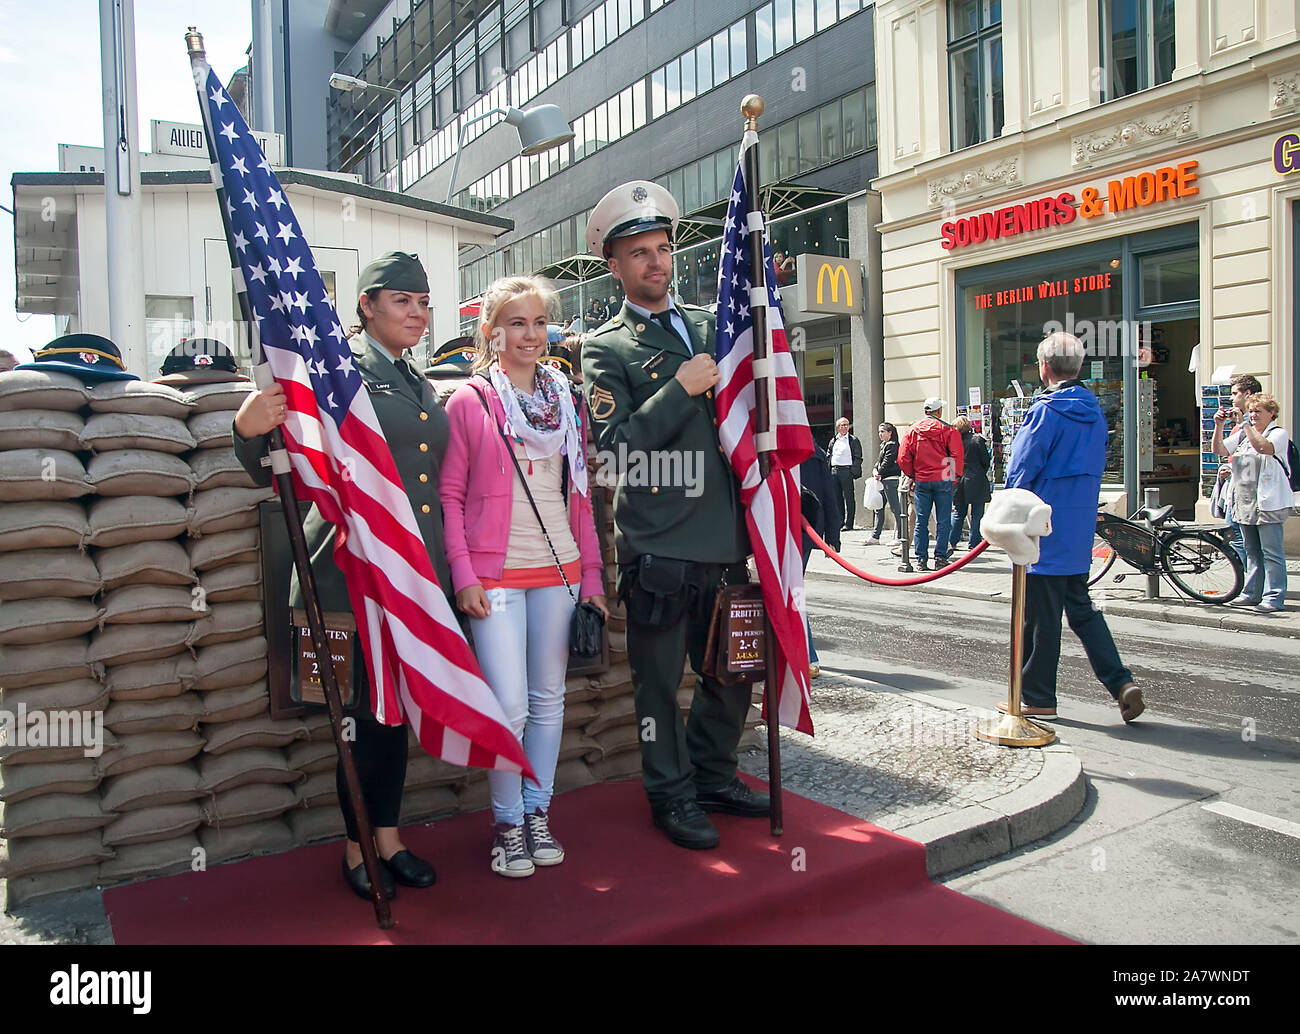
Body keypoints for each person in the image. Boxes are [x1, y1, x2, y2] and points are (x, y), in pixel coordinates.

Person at [232, 251, 442, 901]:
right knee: (357, 720)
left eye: (424, 302)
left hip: (409, 579)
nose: (417, 312)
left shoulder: (415, 380)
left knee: (394, 717)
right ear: (366, 305)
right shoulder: (334, 371)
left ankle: (389, 836)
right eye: (402, 300)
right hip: (344, 576)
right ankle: (357, 849)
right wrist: (246, 427)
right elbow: (273, 456)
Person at [580, 179, 767, 851]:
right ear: (616, 266)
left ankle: (714, 775)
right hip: (659, 545)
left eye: (662, 249)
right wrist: (679, 389)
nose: (655, 263)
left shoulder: (717, 326)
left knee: (732, 673)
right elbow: (614, 454)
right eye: (639, 253)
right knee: (658, 688)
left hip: (725, 538)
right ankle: (670, 793)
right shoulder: (606, 347)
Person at [441, 276, 607, 877]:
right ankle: (507, 822)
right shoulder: (470, 400)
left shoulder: (566, 399)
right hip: (497, 576)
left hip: (560, 571)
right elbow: (451, 494)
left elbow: (581, 497)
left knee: (547, 701)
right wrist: (464, 575)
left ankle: (537, 812)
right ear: (492, 332)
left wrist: (591, 579)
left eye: (539, 322)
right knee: (508, 706)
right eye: (516, 323)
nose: (530, 334)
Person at [1001, 331, 1142, 723]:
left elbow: (1021, 470)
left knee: (1039, 618)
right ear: (1077, 367)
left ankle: (1037, 696)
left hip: (1042, 526)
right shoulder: (1094, 411)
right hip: (1078, 528)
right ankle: (1120, 681)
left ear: (1044, 367)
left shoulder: (1045, 410)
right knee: (1082, 611)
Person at [1212, 392, 1290, 612]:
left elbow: (1264, 448)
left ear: (1272, 413)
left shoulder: (1278, 433)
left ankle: (1274, 597)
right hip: (1244, 502)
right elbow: (1219, 450)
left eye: (1258, 411)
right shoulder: (1244, 434)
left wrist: (1246, 425)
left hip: (1268, 502)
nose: (1253, 415)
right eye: (1251, 411)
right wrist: (1219, 425)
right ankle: (1251, 593)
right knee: (1252, 551)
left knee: (1271, 552)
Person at [898, 397, 963, 571]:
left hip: (922, 480)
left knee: (921, 520)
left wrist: (912, 474)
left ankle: (921, 559)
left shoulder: (913, 430)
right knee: (943, 521)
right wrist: (953, 476)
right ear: (939, 411)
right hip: (943, 478)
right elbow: (956, 455)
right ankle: (940, 557)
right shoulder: (948, 430)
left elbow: (903, 457)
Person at [799, 441, 840, 679]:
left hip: (787, 531)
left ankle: (808, 656)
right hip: (806, 531)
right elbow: (828, 494)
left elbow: (827, 493)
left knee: (789, 593)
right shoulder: (816, 449)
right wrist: (831, 535)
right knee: (790, 592)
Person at [1215, 373, 1263, 563]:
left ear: (1248, 394)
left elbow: (1258, 454)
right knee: (1239, 537)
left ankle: (1251, 579)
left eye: (1235, 393)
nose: (1231, 398)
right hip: (1239, 488)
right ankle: (1253, 579)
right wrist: (1219, 426)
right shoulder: (1240, 426)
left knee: (1238, 537)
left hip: (1250, 491)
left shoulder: (1255, 425)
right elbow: (1220, 449)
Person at [949, 415, 991, 552]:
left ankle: (952, 541)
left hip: (959, 479)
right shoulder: (977, 440)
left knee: (959, 513)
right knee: (977, 513)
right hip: (976, 478)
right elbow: (986, 461)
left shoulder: (953, 442)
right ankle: (974, 543)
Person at [867, 421, 902, 544]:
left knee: (895, 508)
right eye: (879, 432)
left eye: (883, 432)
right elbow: (880, 461)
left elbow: (887, 461)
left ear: (890, 433)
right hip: (883, 479)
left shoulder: (892, 445)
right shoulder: (884, 445)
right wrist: (875, 469)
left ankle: (900, 536)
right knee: (879, 507)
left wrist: (879, 472)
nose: (880, 434)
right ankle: (875, 536)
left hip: (890, 479)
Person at [829, 417, 863, 531]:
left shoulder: (853, 440)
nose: (845, 427)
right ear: (837, 427)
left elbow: (858, 456)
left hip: (846, 470)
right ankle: (840, 521)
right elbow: (829, 454)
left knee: (849, 497)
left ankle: (849, 523)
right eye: (842, 425)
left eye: (847, 425)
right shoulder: (834, 440)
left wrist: (853, 470)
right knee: (837, 498)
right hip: (834, 471)